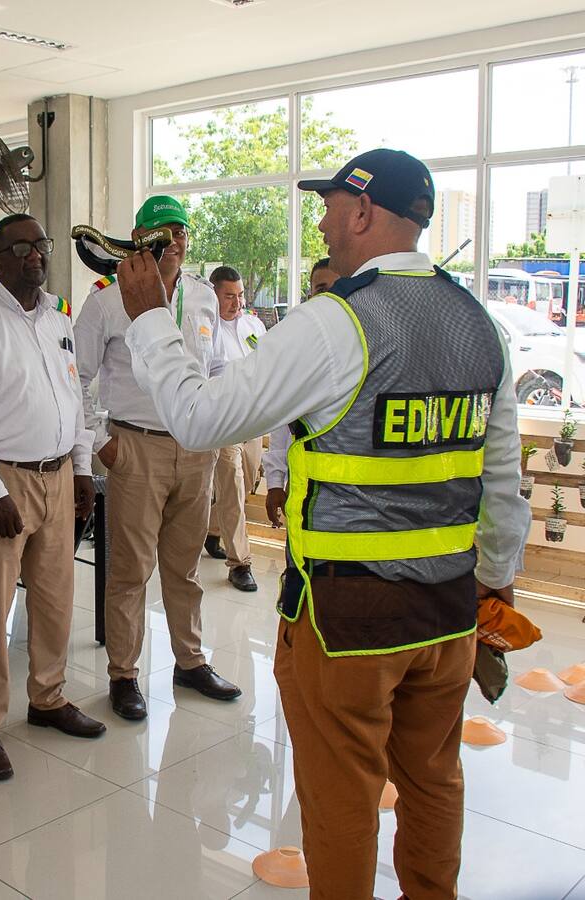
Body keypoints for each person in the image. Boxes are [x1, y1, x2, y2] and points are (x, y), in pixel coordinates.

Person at [115, 148, 528, 898]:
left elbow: (201, 418)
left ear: (365, 213)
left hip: (349, 623)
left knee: (342, 804)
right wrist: (494, 590)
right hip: (447, 618)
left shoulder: (337, 324)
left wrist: (149, 321)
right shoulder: (480, 325)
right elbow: (502, 485)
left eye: (332, 205)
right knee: (433, 783)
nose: (324, 219)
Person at [0, 213, 104, 781]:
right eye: (21, 247)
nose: (35, 254)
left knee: (56, 599)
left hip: (59, 477)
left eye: (41, 243)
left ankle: (48, 698)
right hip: (4, 484)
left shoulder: (58, 314)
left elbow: (73, 396)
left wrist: (82, 467)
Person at [74, 195, 242, 719]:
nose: (174, 240)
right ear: (138, 237)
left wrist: (216, 431)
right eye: (162, 231)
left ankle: (189, 662)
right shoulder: (106, 299)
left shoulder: (201, 297)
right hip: (135, 448)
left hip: (196, 448)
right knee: (129, 571)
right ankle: (124, 674)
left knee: (185, 568)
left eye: (181, 231)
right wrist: (100, 442)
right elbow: (74, 377)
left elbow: (213, 372)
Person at [264, 257, 338, 527]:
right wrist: (274, 483)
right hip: (303, 487)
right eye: (321, 289)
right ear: (310, 295)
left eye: (337, 287)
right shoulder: (298, 347)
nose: (329, 296)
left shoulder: (369, 342)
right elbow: (284, 422)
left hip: (352, 498)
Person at [202, 266, 263, 593]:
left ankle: (213, 530)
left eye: (239, 295)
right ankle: (241, 563)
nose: (236, 302)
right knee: (232, 484)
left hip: (252, 420)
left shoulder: (253, 325)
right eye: (229, 296)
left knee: (247, 480)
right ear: (214, 294)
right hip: (223, 422)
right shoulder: (206, 328)